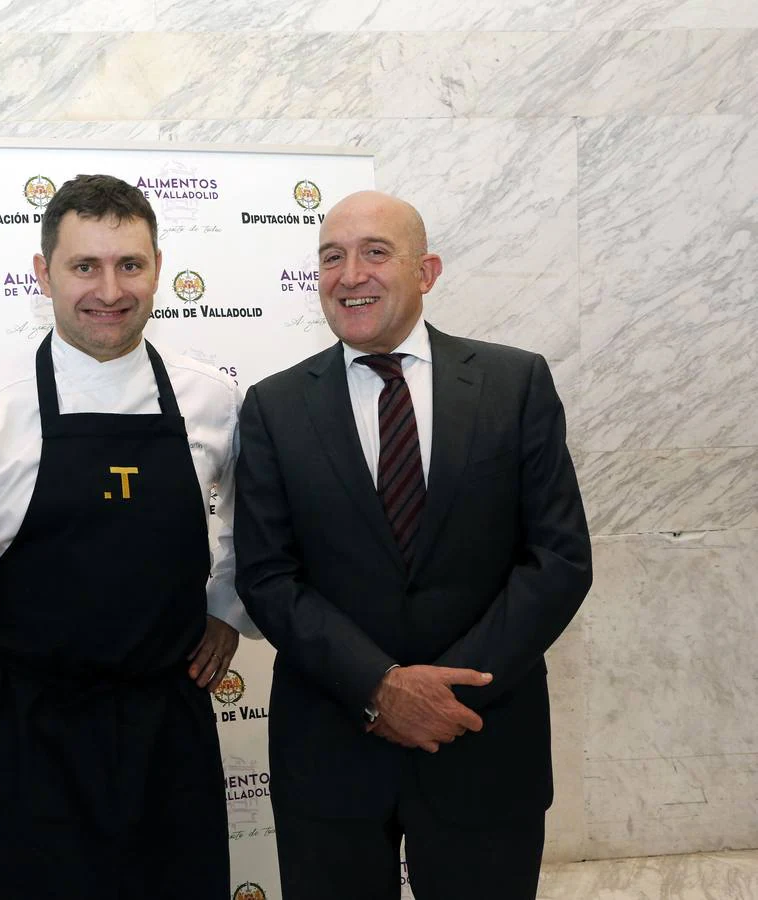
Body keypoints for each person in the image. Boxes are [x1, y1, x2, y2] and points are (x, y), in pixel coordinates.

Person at [0, 174, 257, 898]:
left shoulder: (210, 398)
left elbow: (247, 521)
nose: (110, 289)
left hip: (169, 734)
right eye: (84, 266)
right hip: (27, 742)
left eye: (130, 264)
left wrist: (226, 607)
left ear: (158, 266)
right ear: (43, 274)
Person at [234, 190, 592, 900]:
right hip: (332, 751)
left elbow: (559, 558)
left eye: (375, 252)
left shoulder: (514, 383)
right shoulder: (274, 406)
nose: (350, 273)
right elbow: (269, 576)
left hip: (482, 742)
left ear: (425, 271)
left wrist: (443, 691)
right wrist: (380, 687)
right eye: (331, 257)